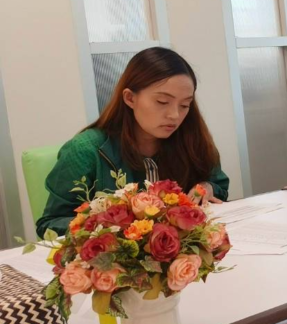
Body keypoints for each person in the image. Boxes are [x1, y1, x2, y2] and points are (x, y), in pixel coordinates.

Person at [37, 47, 229, 237]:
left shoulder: (191, 138)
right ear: (130, 98)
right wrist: (106, 224)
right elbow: (50, 223)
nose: (175, 115)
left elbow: (218, 185)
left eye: (185, 105)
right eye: (162, 102)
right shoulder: (85, 150)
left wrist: (208, 187)